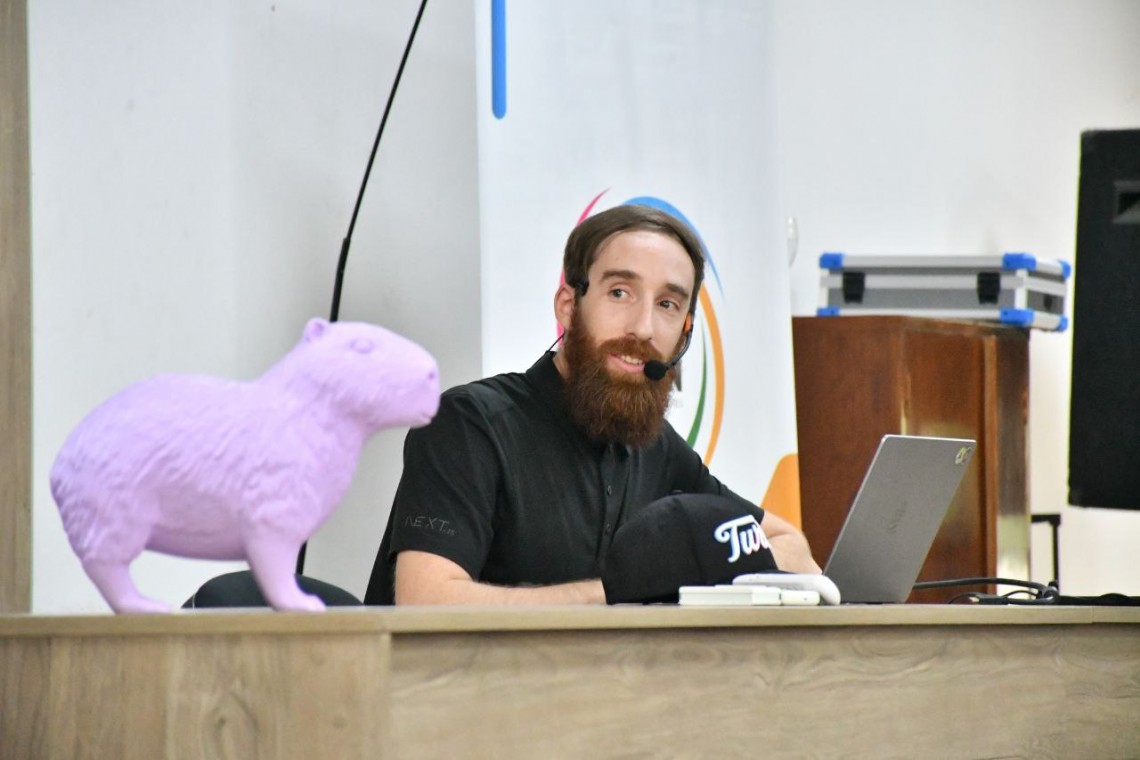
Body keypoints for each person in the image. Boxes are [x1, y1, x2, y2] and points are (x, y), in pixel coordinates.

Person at [364, 204, 820, 605]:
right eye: (620, 292)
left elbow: (793, 548)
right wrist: (622, 590)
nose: (643, 328)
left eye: (667, 304)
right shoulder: (470, 423)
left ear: (684, 331)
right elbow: (427, 600)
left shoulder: (657, 449)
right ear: (568, 305)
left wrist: (704, 565)